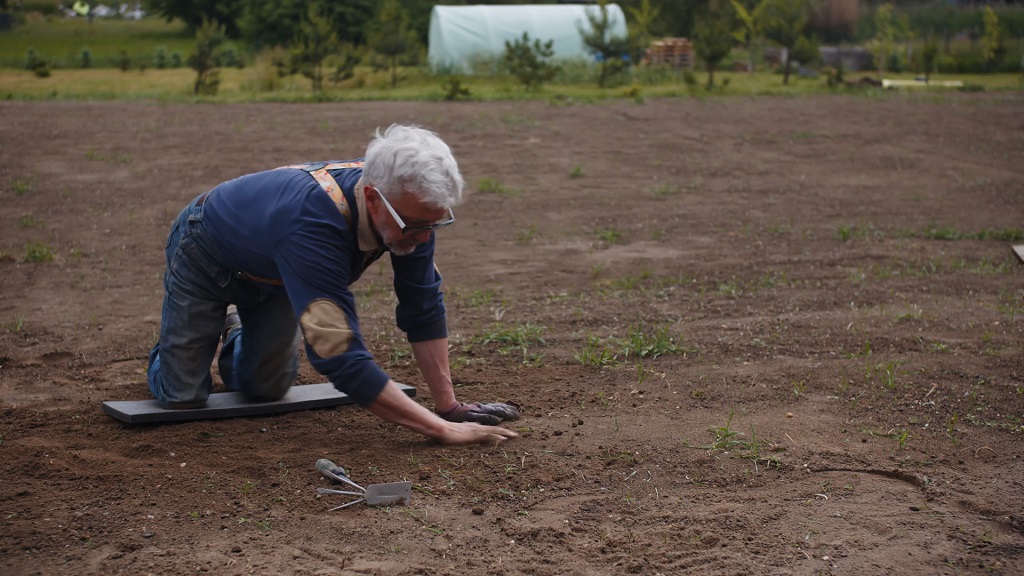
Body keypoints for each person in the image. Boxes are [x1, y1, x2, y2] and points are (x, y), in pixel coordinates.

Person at [147, 124, 520, 446]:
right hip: (205, 252)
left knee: (265, 387)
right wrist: (438, 429)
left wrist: (449, 408)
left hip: (280, 273)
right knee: (182, 397)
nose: (425, 238)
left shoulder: (411, 212)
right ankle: (174, 349)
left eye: (435, 225)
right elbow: (339, 354)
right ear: (373, 199)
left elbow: (422, 307)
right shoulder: (314, 225)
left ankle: (236, 330)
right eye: (416, 226)